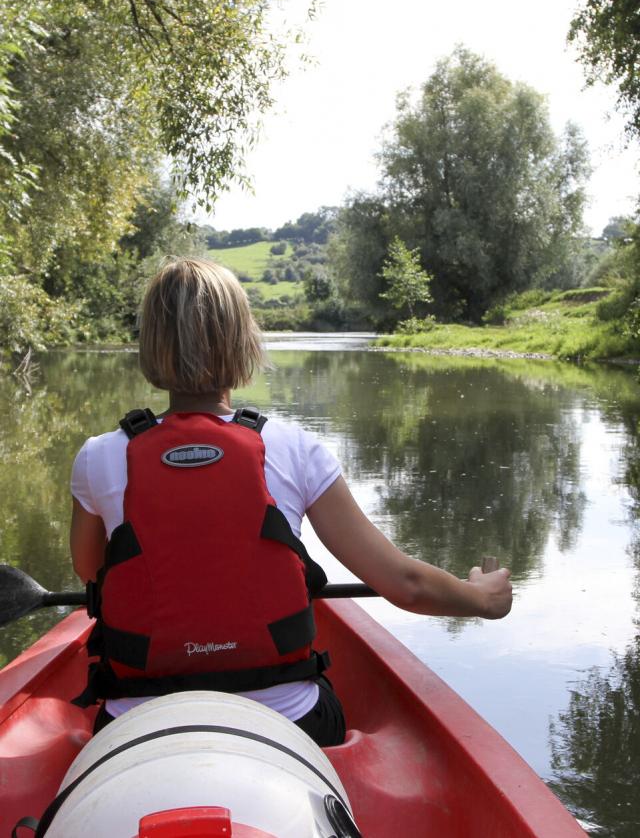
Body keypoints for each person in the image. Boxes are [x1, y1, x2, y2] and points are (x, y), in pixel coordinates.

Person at [70, 257, 512, 747]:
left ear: (151, 343)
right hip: (290, 720)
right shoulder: (296, 449)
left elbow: (93, 573)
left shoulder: (100, 457)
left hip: (134, 721)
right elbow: (404, 585)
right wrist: (483, 599)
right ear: (242, 339)